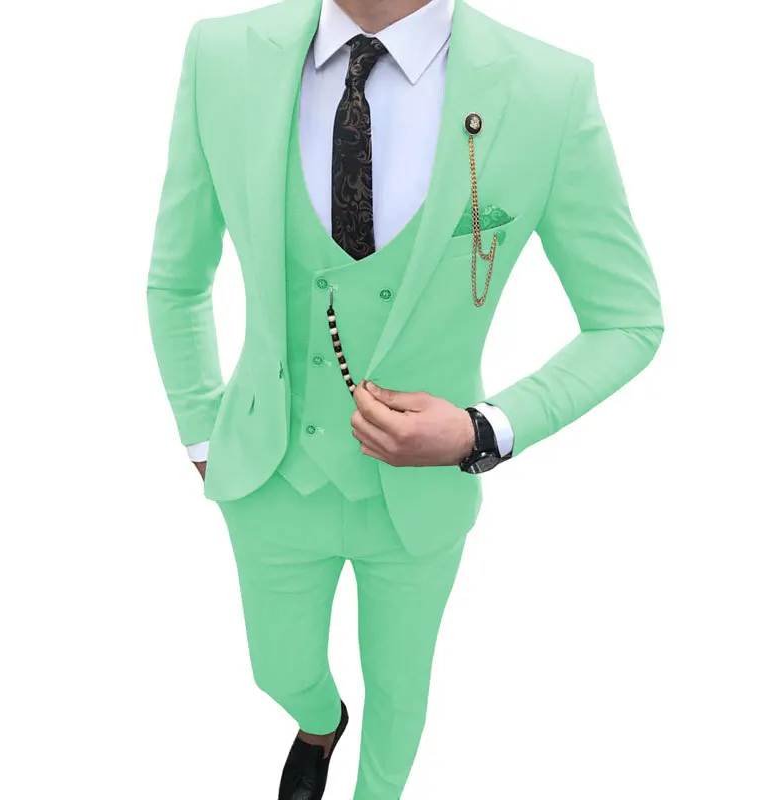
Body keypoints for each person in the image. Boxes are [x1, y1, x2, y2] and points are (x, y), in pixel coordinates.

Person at [146, 0, 664, 796]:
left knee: (399, 692)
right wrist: (201, 433)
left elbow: (628, 320)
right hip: (269, 470)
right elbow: (177, 278)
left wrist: (483, 428)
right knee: (277, 668)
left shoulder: (549, 89)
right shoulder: (221, 55)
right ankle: (318, 721)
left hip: (421, 495)